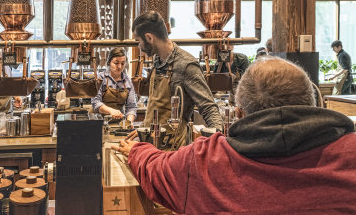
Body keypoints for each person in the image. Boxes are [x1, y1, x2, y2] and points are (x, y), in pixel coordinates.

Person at [113, 56, 356, 214]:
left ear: (238, 114)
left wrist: (136, 150)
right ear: (315, 102)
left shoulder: (202, 161)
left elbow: (156, 168)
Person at [129, 11, 223, 151]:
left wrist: (219, 145)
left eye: (138, 41)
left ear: (149, 37)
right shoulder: (157, 61)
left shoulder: (186, 66)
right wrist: (146, 129)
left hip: (172, 151)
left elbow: (209, 108)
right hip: (150, 145)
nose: (139, 47)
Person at [92, 48, 137, 123]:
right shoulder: (100, 78)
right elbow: (95, 102)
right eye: (116, 63)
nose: (119, 66)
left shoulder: (127, 81)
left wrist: (128, 123)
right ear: (109, 62)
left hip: (119, 123)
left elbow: (131, 107)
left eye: (122, 63)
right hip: (100, 122)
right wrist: (111, 111)